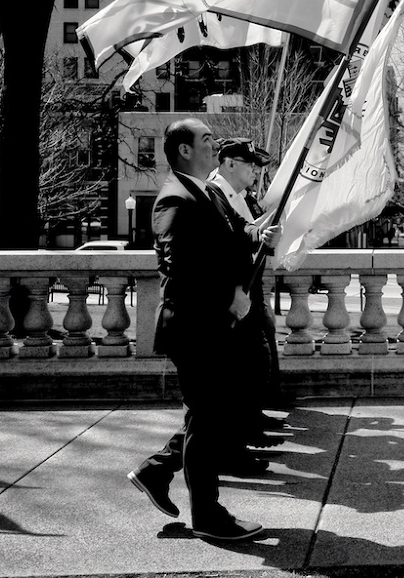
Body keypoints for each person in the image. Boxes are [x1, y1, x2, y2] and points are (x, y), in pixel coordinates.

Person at [126, 119, 280, 543]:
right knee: (210, 415)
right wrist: (229, 297)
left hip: (210, 325)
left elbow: (232, 235)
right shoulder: (174, 200)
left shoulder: (205, 192)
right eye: (207, 140)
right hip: (193, 326)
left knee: (212, 413)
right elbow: (182, 270)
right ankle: (207, 514)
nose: (215, 145)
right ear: (184, 150)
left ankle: (157, 471)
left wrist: (258, 234)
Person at [210, 137, 286, 428]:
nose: (256, 170)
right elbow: (224, 245)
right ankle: (242, 426)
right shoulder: (213, 193)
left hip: (249, 287)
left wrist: (264, 234)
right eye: (250, 164)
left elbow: (248, 231)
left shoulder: (241, 197)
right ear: (229, 163)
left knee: (255, 357)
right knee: (244, 361)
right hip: (232, 291)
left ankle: (251, 418)